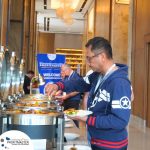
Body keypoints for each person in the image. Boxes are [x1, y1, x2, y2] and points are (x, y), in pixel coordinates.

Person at [45, 37, 132, 150]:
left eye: (89, 58)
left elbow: (120, 121)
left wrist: (86, 119)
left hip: (110, 145)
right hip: (97, 139)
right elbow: (80, 83)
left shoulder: (119, 82)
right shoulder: (98, 75)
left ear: (102, 57)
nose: (88, 63)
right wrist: (58, 85)